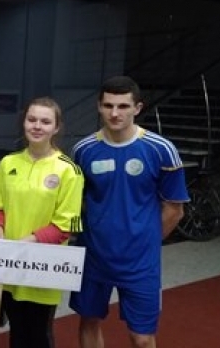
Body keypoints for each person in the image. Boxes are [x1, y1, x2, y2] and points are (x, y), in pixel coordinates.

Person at [68, 76, 190, 348]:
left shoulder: (161, 150)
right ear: (99, 106)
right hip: (94, 258)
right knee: (88, 321)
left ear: (138, 108)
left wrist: (143, 242)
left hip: (140, 264)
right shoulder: (83, 151)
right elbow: (79, 201)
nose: (114, 113)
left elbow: (175, 210)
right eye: (108, 105)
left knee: (142, 338)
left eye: (123, 106)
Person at [0, 97, 84, 348]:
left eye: (45, 121)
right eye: (32, 120)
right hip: (9, 262)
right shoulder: (8, 163)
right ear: (24, 123)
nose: (37, 126)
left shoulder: (68, 170)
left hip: (44, 266)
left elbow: (66, 226)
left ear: (56, 127)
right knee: (17, 333)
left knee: (39, 335)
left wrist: (27, 242)